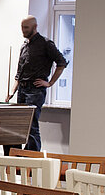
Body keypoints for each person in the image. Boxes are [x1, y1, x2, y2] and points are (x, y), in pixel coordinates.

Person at [6, 15, 67, 152]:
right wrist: (12, 91)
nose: (23, 30)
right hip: (22, 89)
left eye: (26, 27)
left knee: (31, 126)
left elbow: (61, 63)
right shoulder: (24, 46)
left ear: (35, 27)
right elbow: (19, 73)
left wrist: (50, 83)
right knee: (19, 125)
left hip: (35, 90)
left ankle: (32, 159)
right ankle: (17, 158)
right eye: (22, 27)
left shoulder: (46, 44)